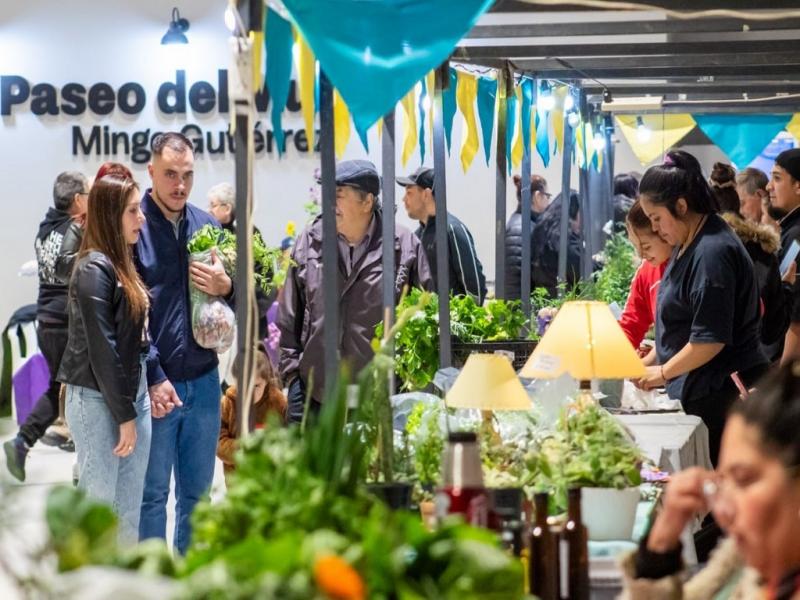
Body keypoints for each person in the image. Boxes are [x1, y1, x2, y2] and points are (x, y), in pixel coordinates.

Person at [621, 361, 800, 600]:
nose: (723, 508)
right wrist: (661, 544)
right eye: (721, 481)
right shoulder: (744, 561)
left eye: (744, 480)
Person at [636, 150, 768, 466]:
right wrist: (654, 357)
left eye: (656, 218)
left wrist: (663, 372)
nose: (655, 229)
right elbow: (684, 321)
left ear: (681, 205)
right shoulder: (688, 243)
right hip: (702, 392)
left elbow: (708, 340)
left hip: (724, 396)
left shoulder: (713, 253)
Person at [135, 132, 233, 555]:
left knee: (198, 496)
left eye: (187, 175)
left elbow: (231, 302)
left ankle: (193, 580)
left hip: (205, 381)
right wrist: (154, 374)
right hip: (155, 386)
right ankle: (155, 585)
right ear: (151, 171)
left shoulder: (207, 226)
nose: (179, 185)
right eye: (170, 174)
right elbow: (129, 316)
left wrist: (226, 286)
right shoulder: (133, 226)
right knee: (152, 496)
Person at [279, 160, 432, 423]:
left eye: (337, 196)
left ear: (367, 202)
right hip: (316, 394)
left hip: (380, 397)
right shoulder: (309, 241)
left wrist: (409, 384)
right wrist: (293, 378)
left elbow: (425, 317)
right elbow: (290, 314)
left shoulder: (403, 246)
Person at [57, 170, 152, 545]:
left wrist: (141, 396)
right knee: (97, 513)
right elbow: (103, 350)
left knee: (127, 510)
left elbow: (136, 340)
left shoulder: (120, 263)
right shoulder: (93, 268)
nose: (141, 219)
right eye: (133, 211)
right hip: (99, 401)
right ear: (112, 215)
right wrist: (125, 414)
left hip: (131, 394)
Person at [4, 172, 88, 481]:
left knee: (58, 387)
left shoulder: (43, 229)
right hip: (68, 322)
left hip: (47, 321)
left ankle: (22, 442)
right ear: (78, 199)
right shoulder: (76, 229)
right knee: (79, 391)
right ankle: (84, 463)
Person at [711, 162, 792, 361]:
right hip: (753, 364)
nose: (770, 188)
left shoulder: (700, 248)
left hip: (744, 364)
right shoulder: (759, 250)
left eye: (777, 178)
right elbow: (772, 325)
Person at [397, 166, 486, 304]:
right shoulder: (416, 237)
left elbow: (474, 288)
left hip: (453, 323)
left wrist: (464, 321)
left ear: (426, 194)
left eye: (409, 193)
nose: (403, 199)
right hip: (428, 323)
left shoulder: (453, 230)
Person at [217, 345, 287, 483]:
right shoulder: (227, 403)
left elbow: (287, 436)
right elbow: (217, 442)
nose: (249, 392)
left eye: (256, 386)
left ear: (266, 382)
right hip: (237, 484)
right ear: (234, 380)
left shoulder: (278, 402)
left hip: (270, 482)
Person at [618, 201, 673, 351]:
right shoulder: (646, 271)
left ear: (664, 233)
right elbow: (631, 325)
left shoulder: (690, 264)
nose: (641, 255)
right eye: (635, 247)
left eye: (646, 247)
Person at [768, 148, 800, 364]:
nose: (769, 186)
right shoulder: (792, 230)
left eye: (777, 178)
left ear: (798, 185)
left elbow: (796, 315)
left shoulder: (797, 236)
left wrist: (782, 378)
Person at [504, 174, 550, 300]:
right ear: (537, 197)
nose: (548, 201)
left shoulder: (520, 223)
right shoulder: (526, 227)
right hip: (523, 307)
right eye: (547, 196)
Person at [531, 190, 582, 298]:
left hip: (543, 299)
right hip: (561, 301)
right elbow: (580, 271)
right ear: (574, 213)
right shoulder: (563, 238)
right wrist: (598, 263)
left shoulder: (541, 230)